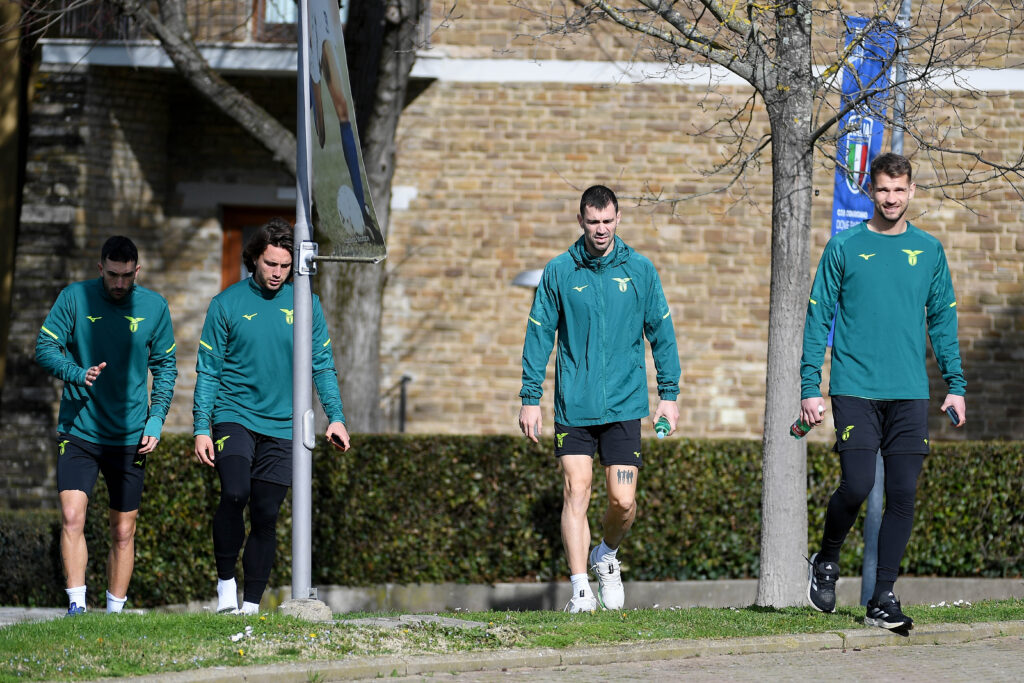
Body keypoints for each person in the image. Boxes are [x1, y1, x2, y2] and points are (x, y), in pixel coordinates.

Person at [800, 152, 966, 631]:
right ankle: (827, 559)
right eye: (883, 190)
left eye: (899, 189)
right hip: (855, 387)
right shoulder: (844, 247)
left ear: (911, 192)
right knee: (856, 485)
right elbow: (817, 322)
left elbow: (943, 321)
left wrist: (956, 385)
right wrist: (811, 387)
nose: (891, 198)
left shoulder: (930, 251)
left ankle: (882, 596)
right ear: (869, 192)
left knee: (902, 495)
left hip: (910, 391)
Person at [518, 185, 681, 613]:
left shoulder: (641, 270)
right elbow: (539, 336)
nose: (601, 229)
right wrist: (530, 397)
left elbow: (662, 335)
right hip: (574, 404)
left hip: (626, 404)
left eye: (608, 221)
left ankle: (605, 555)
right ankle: (580, 590)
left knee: (623, 502)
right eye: (593, 222)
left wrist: (669, 396)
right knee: (577, 490)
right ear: (580, 221)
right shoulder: (560, 271)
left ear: (618, 218)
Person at [193, 217, 350, 615]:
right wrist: (200, 427)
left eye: (284, 265)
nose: (278, 273)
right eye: (270, 264)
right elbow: (208, 371)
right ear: (254, 260)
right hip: (234, 415)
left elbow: (323, 364)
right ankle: (225, 584)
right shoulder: (226, 304)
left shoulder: (306, 302)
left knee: (265, 513)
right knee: (234, 493)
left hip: (284, 424)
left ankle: (249, 606)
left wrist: (336, 416)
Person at [35, 236, 177, 616]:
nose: (119, 283)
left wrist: (156, 419)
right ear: (100, 268)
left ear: (137, 271)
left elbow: (165, 368)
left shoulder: (154, 307)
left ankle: (114, 613)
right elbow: (44, 349)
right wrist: (77, 374)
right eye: (112, 275)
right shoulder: (74, 298)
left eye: (126, 276)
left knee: (123, 531)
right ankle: (77, 606)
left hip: (131, 435)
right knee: (71, 516)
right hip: (79, 429)